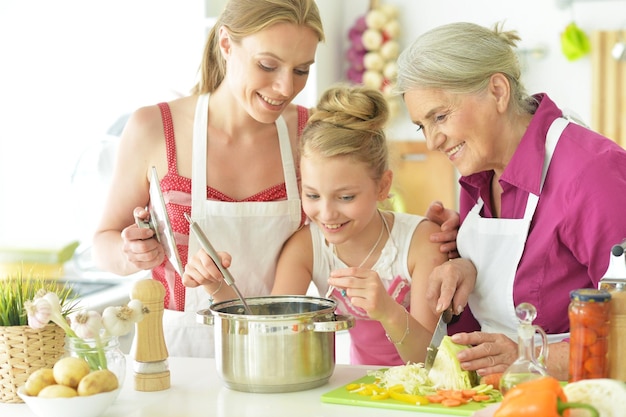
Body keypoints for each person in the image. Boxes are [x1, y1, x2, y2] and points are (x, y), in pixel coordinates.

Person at [92, 0, 325, 357]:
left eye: (301, 70)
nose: (283, 87)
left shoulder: (311, 135)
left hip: (281, 352)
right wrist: (131, 253)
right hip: (177, 354)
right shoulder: (154, 128)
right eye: (268, 65)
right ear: (226, 44)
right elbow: (103, 242)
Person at [395, 21, 626, 380]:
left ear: (498, 91)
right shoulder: (476, 175)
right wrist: (462, 266)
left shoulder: (590, 172)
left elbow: (623, 326)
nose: (431, 142)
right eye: (421, 126)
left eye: (439, 117)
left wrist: (533, 356)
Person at [271, 84, 448, 366]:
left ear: (382, 186)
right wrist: (220, 289)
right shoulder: (306, 247)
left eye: (345, 197)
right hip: (355, 392)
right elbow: (273, 334)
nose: (327, 214)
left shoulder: (421, 242)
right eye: (313, 195)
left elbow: (431, 360)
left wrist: (388, 311)